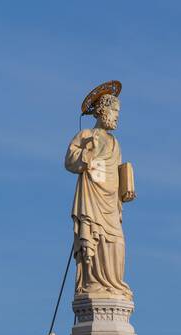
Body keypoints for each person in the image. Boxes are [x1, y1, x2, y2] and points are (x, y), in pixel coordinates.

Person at [65, 93, 134, 299]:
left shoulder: (115, 143)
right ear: (102, 111)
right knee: (94, 240)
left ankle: (113, 284)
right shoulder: (86, 135)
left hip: (111, 202)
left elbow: (114, 171)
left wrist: (126, 186)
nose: (116, 117)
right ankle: (94, 283)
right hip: (92, 199)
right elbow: (70, 160)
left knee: (116, 243)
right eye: (114, 111)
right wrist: (88, 152)